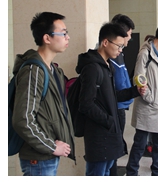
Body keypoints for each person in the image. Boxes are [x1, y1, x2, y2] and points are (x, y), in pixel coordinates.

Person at [76, 23, 145, 176]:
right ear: (105, 42)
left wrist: (135, 91)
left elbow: (112, 96)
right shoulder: (92, 68)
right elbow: (86, 104)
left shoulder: (107, 66)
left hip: (109, 133)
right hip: (99, 136)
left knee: (106, 171)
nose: (121, 50)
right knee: (97, 173)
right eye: (119, 46)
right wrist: (109, 121)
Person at [12, 12, 75, 176]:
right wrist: (51, 146)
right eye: (63, 33)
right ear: (47, 38)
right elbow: (23, 119)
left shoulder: (53, 70)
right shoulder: (33, 71)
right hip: (38, 158)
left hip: (47, 155)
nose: (68, 37)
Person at [126, 23, 158, 177]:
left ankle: (157, 173)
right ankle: (132, 173)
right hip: (147, 107)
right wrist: (151, 98)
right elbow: (138, 79)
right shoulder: (145, 54)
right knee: (140, 144)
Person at [108, 13, 136, 176]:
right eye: (129, 34)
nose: (130, 38)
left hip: (122, 102)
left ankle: (113, 169)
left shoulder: (120, 53)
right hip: (116, 105)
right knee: (114, 142)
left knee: (117, 142)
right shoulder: (111, 55)